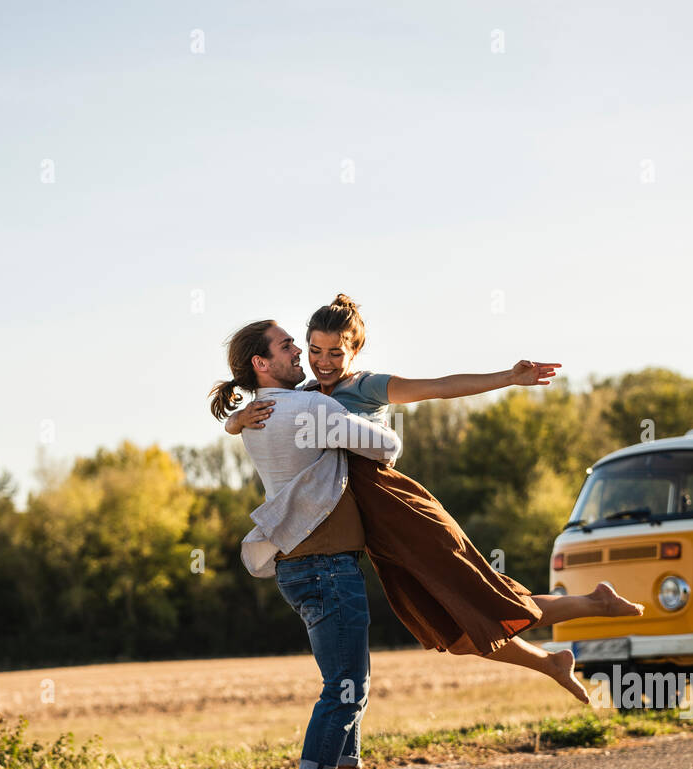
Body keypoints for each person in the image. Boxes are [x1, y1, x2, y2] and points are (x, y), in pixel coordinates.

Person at [225, 293, 644, 706]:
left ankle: (595, 602)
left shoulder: (366, 386)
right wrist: (234, 419)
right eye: (315, 350)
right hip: (377, 534)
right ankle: (551, 663)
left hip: (401, 512)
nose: (323, 361)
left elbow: (440, 388)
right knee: (453, 633)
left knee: (483, 599)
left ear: (355, 350)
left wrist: (507, 377)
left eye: (336, 352)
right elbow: (262, 415)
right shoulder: (308, 393)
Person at [210, 319, 396, 769]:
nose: (300, 353)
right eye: (287, 346)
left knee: (348, 688)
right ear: (261, 365)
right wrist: (361, 414)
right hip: (327, 565)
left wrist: (232, 422)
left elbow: (238, 425)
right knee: (346, 689)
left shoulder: (259, 415)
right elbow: (387, 447)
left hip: (301, 565)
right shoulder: (311, 408)